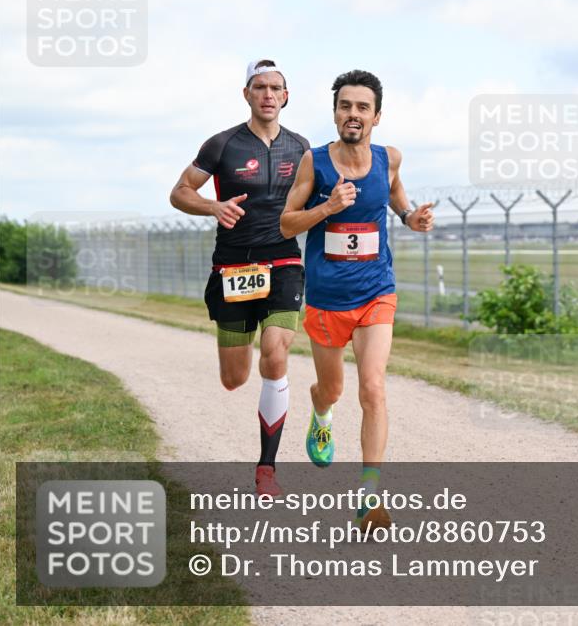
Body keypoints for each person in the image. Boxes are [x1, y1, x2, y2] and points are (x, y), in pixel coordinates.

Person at [280, 69, 433, 530]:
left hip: (375, 292)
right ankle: (321, 409)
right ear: (335, 113)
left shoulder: (390, 159)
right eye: (345, 105)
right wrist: (327, 207)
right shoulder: (315, 163)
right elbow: (287, 224)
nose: (353, 114)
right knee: (335, 389)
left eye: (362, 107)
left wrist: (410, 217)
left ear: (377, 116)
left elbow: (396, 198)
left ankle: (369, 495)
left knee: (373, 387)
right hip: (328, 298)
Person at [170, 59, 309, 497]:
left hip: (284, 261)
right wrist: (213, 206)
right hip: (233, 266)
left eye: (276, 87)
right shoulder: (222, 144)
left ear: (286, 96)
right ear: (246, 94)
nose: (268, 94)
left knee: (276, 352)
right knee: (235, 378)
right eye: (259, 87)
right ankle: (242, 359)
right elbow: (179, 192)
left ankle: (267, 468)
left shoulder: (302, 148)